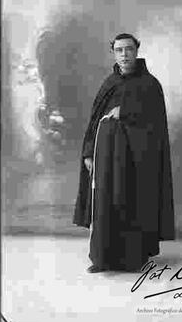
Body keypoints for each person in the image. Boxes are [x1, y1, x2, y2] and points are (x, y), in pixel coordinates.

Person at [73, 33, 175, 273]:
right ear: (114, 53)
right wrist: (88, 153)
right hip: (106, 159)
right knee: (105, 204)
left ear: (136, 51)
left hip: (137, 161)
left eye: (128, 49)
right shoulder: (109, 83)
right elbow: (94, 121)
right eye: (119, 50)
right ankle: (102, 259)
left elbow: (155, 124)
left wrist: (126, 110)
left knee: (132, 204)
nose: (124, 55)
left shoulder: (150, 85)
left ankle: (134, 259)